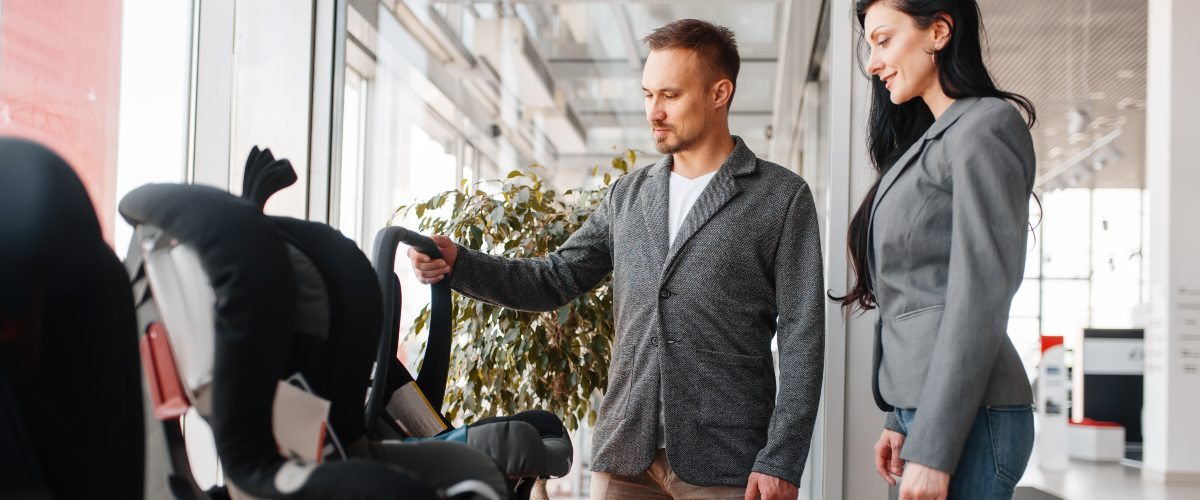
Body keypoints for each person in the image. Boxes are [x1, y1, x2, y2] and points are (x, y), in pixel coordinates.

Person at [408, 19, 824, 500]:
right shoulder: (629, 195)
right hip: (627, 453)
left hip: (728, 461)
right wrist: (461, 263)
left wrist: (782, 459)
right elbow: (554, 278)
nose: (654, 112)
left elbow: (803, 338)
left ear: (719, 93)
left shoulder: (780, 197)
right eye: (648, 95)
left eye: (670, 95)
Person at [834, 1, 1039, 499]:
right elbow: (920, 294)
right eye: (870, 46)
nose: (872, 63)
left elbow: (979, 297)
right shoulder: (929, 140)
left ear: (940, 31)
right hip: (927, 410)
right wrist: (900, 415)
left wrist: (936, 448)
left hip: (970, 416)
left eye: (883, 40)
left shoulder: (985, 126)